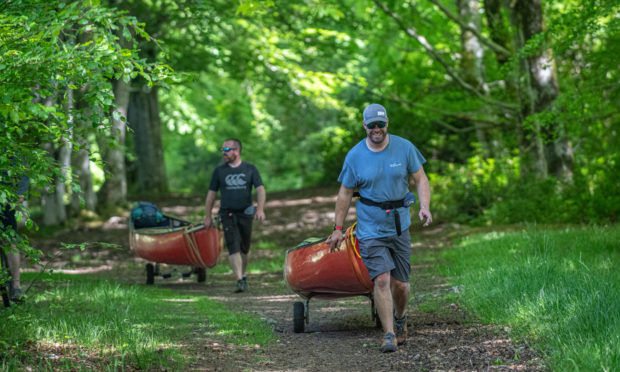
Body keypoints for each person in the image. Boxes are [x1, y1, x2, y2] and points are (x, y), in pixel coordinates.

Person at [329, 103, 432, 353]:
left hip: (399, 226)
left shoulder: (404, 148)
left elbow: (421, 179)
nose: (377, 129)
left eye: (380, 124)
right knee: (382, 280)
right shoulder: (355, 156)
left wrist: (425, 206)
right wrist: (338, 228)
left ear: (387, 122)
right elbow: (344, 193)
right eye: (371, 125)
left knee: (402, 285)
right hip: (370, 228)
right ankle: (388, 333)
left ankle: (400, 316)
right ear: (364, 125)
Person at [203, 138, 266, 293]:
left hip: (246, 213)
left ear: (236, 151)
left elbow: (260, 189)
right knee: (233, 245)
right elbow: (211, 195)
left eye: (226, 150)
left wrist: (260, 209)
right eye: (223, 150)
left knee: (244, 248)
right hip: (227, 213)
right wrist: (207, 215)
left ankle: (243, 276)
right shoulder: (219, 171)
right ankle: (239, 279)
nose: (223, 153)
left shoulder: (250, 169)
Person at [1, 167, 29, 302]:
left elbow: (22, 167)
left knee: (9, 239)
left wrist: (20, 191)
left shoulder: (9, 147)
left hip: (6, 197)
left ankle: (16, 286)